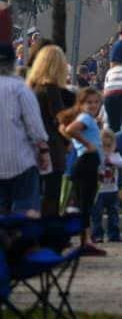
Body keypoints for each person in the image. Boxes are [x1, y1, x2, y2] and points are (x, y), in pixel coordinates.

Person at [26, 44, 76, 217]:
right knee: (51, 195)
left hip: (31, 147)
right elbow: (59, 119)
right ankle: (49, 231)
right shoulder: (51, 90)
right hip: (52, 147)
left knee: (33, 194)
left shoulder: (31, 88)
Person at [0, 42, 49, 217]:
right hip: (21, 160)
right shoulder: (20, 88)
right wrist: (43, 150)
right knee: (25, 214)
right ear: (14, 63)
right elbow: (34, 124)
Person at [58, 87, 105, 255]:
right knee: (84, 204)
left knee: (84, 203)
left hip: (89, 163)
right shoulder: (85, 117)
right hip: (86, 162)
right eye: (89, 102)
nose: (93, 105)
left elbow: (64, 129)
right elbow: (70, 129)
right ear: (81, 104)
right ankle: (85, 241)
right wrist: (86, 144)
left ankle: (87, 239)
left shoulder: (89, 119)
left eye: (96, 102)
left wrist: (75, 143)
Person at [91, 129, 122, 244]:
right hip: (99, 191)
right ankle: (97, 235)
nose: (106, 149)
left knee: (114, 214)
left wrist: (111, 160)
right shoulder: (97, 156)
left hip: (112, 190)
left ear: (114, 145)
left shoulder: (116, 156)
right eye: (103, 146)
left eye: (109, 146)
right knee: (97, 215)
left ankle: (114, 234)